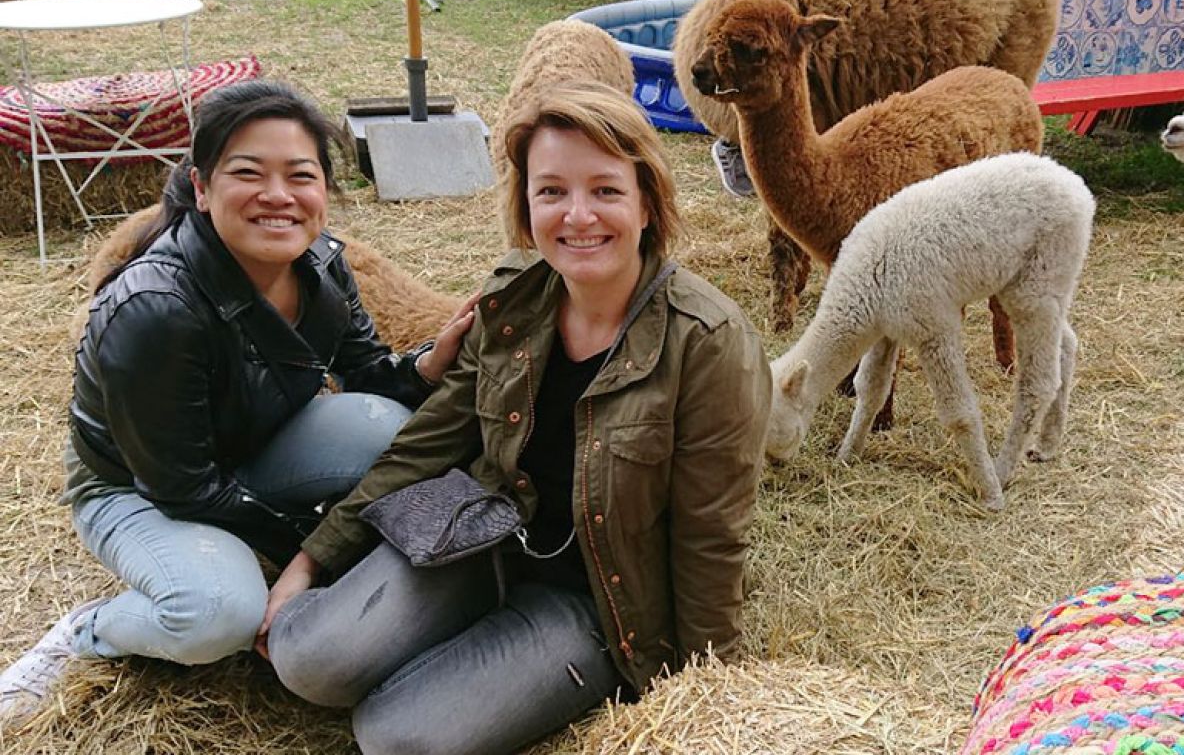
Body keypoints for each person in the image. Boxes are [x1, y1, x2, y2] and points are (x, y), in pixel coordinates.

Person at [265, 81, 771, 754]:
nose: (578, 216)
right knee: (306, 661)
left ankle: (493, 664)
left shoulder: (707, 342)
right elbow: (428, 441)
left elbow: (710, 537)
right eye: (552, 191)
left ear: (648, 202)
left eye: (605, 190)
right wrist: (310, 559)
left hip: (596, 598)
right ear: (526, 205)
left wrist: (708, 697)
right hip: (482, 538)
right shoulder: (514, 297)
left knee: (394, 738)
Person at [0, 80, 474, 721]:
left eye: (300, 175)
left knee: (383, 423)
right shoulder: (154, 309)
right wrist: (311, 558)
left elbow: (368, 377)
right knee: (217, 617)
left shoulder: (324, 267)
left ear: (324, 193)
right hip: (138, 486)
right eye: (248, 173)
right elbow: (185, 488)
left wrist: (430, 360)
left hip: (249, 445)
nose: (278, 197)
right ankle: (95, 631)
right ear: (202, 187)